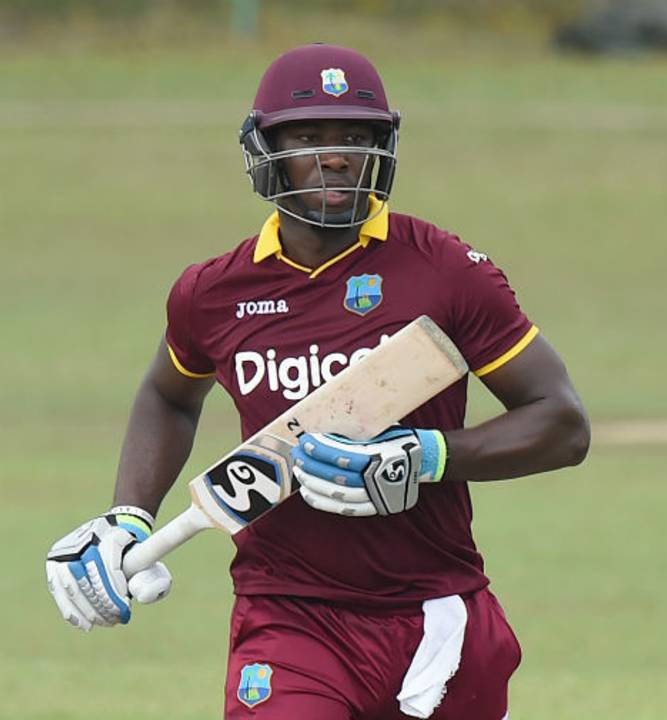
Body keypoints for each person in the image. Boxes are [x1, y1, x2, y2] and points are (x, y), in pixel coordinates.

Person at [45, 43, 590, 720]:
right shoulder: (213, 293)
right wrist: (129, 513)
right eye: (308, 137)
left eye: (355, 138)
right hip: (286, 617)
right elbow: (168, 394)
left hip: (436, 613)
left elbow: (561, 424)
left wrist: (425, 456)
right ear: (262, 149)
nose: (335, 156)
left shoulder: (445, 271)